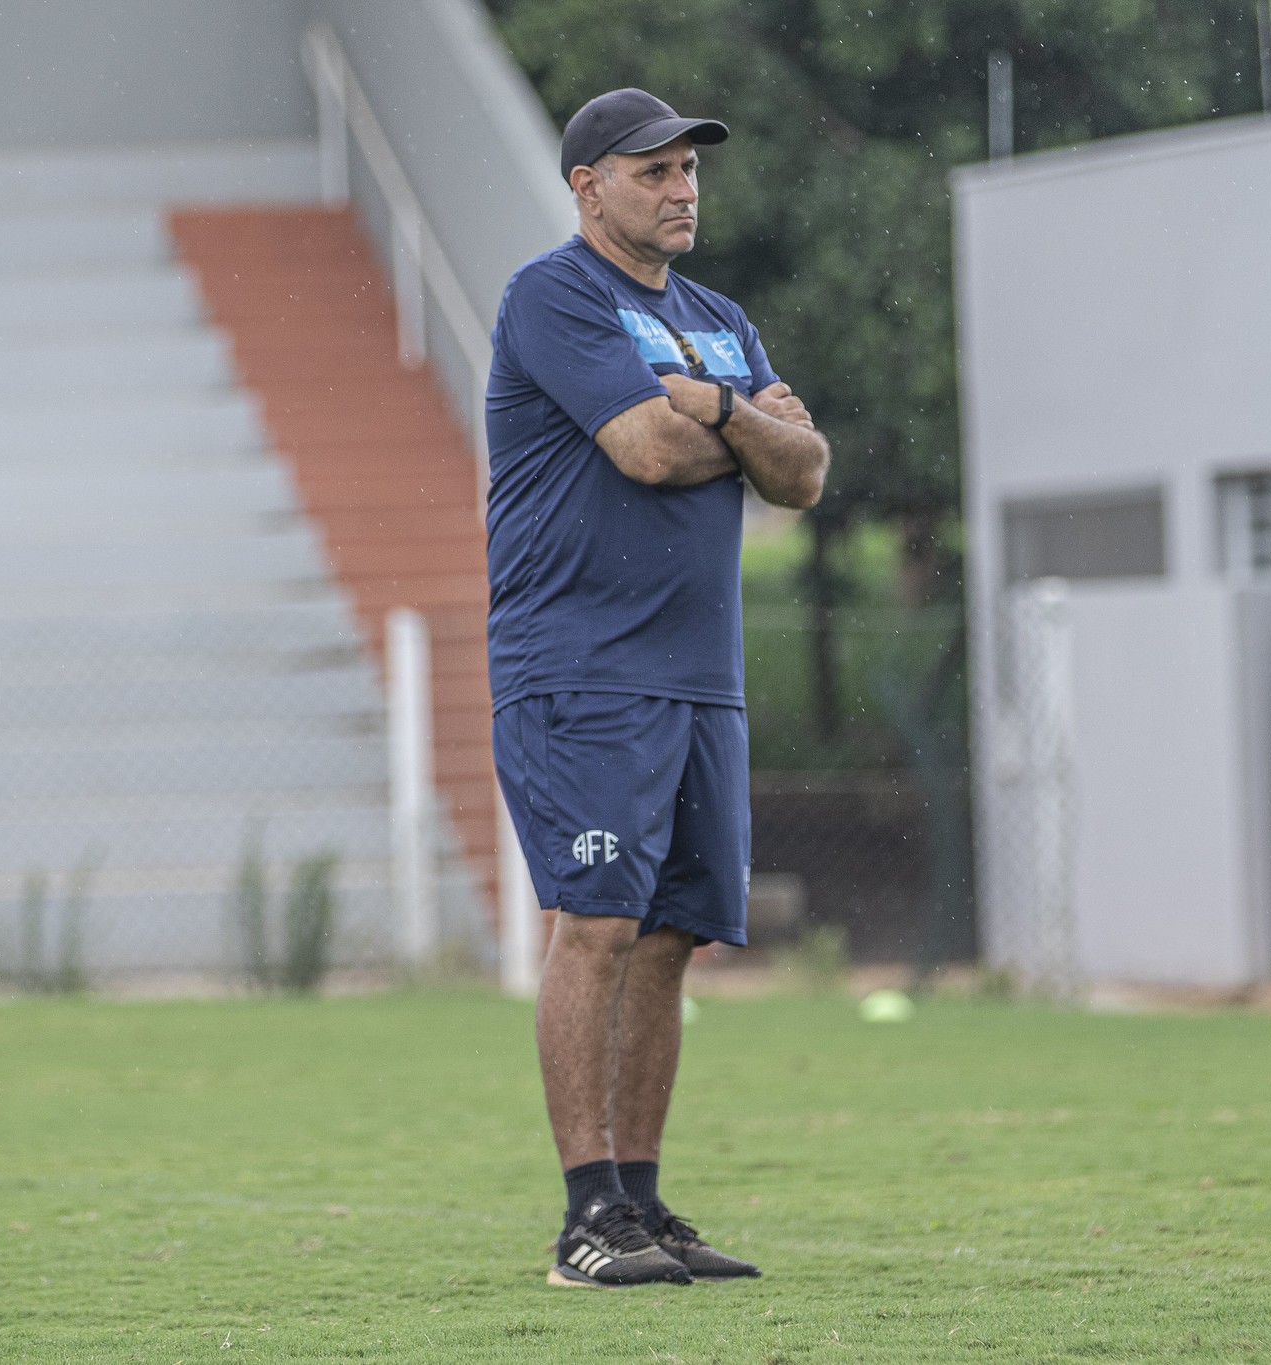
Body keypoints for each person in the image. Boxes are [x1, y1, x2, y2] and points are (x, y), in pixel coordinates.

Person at [483, 87, 830, 1287]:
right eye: (653, 172)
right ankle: (585, 1221)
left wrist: (722, 406)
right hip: (580, 672)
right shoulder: (554, 295)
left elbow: (804, 474)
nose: (682, 189)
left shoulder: (717, 320)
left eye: (688, 170)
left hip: (699, 682)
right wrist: (745, 429)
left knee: (675, 935)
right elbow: (643, 448)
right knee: (598, 924)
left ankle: (640, 1201)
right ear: (588, 186)